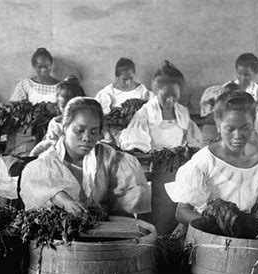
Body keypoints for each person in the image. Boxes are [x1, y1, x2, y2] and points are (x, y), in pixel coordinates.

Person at [165, 91, 258, 233]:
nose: (238, 136)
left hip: (242, 237)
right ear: (218, 125)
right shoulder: (204, 162)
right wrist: (217, 225)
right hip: (205, 234)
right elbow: (182, 212)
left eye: (245, 127)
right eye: (230, 129)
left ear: (253, 123)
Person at [20, 97, 150, 215]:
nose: (87, 138)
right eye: (79, 130)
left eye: (94, 132)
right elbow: (38, 187)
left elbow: (130, 201)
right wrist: (63, 200)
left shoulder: (111, 159)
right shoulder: (46, 164)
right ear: (65, 127)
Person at [120, 71, 202, 153]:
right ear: (156, 92)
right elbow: (137, 148)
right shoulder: (145, 114)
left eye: (174, 95)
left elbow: (193, 142)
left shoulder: (182, 113)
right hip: (151, 161)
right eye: (165, 95)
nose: (169, 100)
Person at [200, 53, 258, 118]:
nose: (242, 77)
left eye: (247, 75)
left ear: (255, 73)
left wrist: (257, 106)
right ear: (236, 71)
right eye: (239, 73)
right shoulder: (228, 86)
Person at [30, 76, 85, 156]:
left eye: (71, 107)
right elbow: (48, 144)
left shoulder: (85, 122)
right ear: (58, 104)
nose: (67, 111)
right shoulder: (56, 123)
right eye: (63, 107)